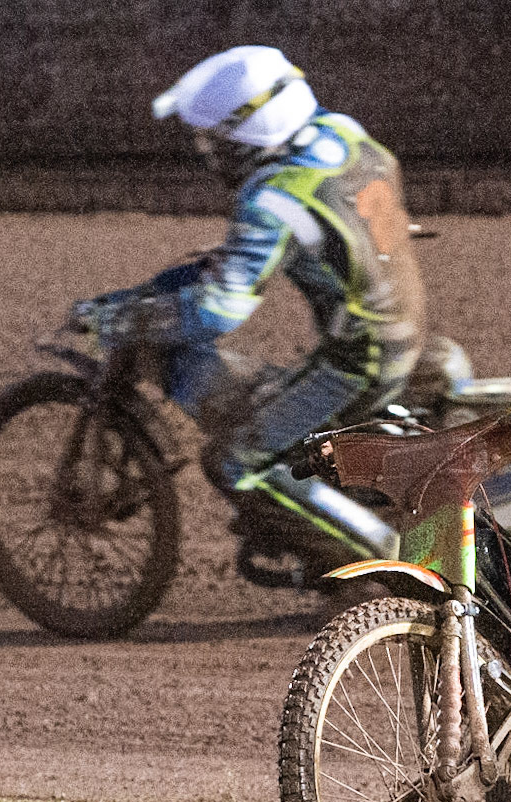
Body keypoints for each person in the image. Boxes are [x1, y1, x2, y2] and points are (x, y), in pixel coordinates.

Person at [81, 45, 427, 566]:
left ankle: (392, 560)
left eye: (214, 140)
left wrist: (116, 318)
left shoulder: (271, 198)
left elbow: (217, 311)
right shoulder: (346, 134)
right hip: (409, 322)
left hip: (362, 361)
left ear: (247, 134)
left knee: (234, 461)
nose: (208, 153)